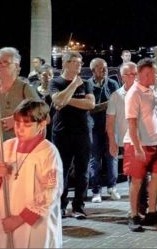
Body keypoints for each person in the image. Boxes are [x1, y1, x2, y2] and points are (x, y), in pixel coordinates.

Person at [0, 99, 63, 248]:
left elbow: (51, 191)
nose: (20, 129)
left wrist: (19, 219)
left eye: (27, 125)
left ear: (41, 125)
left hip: (34, 222)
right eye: (17, 123)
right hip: (6, 215)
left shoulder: (48, 152)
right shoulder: (7, 147)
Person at [0, 47, 38, 239]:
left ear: (17, 67)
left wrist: (17, 121)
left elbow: (42, 117)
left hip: (19, 154)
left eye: (5, 62)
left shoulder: (24, 88)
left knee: (15, 199)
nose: (0, 65)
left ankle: (15, 238)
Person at [125, 58, 157, 232]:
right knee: (137, 181)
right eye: (151, 73)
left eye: (154, 72)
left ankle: (152, 212)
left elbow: (156, 116)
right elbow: (131, 123)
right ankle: (134, 215)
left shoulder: (151, 90)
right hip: (140, 144)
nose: (155, 75)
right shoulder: (134, 93)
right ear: (142, 74)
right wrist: (137, 147)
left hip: (156, 142)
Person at [50, 52, 95, 220]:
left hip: (83, 132)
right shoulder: (56, 82)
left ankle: (78, 207)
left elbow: (90, 103)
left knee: (83, 171)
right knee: (62, 171)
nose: (79, 65)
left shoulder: (85, 83)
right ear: (65, 64)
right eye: (75, 62)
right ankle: (61, 205)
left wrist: (66, 99)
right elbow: (56, 100)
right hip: (62, 132)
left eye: (80, 62)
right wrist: (73, 87)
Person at [107, 62, 149, 218]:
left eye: (134, 73)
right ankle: (137, 210)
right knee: (136, 177)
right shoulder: (116, 96)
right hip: (128, 142)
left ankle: (142, 208)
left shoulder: (146, 93)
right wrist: (112, 141)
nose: (132, 77)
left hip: (146, 140)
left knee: (144, 176)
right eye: (128, 74)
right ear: (121, 76)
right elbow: (110, 122)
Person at [87, 58, 120, 203]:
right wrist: (108, 104)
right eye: (101, 68)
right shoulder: (87, 85)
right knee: (95, 160)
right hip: (94, 127)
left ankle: (112, 187)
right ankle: (96, 190)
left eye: (105, 67)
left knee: (112, 157)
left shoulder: (113, 83)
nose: (105, 70)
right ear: (93, 70)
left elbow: (118, 105)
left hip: (111, 127)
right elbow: (90, 107)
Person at [35, 64, 55, 141]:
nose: (48, 77)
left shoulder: (56, 91)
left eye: (50, 75)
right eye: (44, 75)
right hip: (38, 127)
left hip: (53, 127)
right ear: (39, 76)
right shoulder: (33, 91)